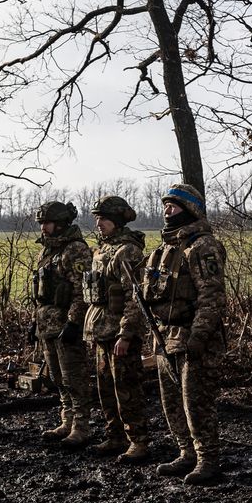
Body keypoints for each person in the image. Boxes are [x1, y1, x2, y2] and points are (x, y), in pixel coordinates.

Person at [143, 184, 228, 485]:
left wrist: (200, 336)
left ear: (190, 210)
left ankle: (208, 458)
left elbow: (212, 296)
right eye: (165, 206)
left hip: (193, 336)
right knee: (172, 401)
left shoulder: (203, 246)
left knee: (196, 401)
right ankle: (186, 452)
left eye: (173, 206)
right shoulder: (164, 250)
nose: (167, 211)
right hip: (165, 335)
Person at [82, 195, 150, 463]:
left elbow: (135, 296)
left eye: (104, 219)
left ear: (118, 220)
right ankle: (115, 436)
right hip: (100, 330)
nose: (99, 223)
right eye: (97, 218)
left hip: (120, 333)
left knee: (127, 388)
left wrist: (126, 333)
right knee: (106, 389)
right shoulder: (101, 251)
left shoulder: (127, 250)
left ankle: (138, 441)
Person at [32, 200, 94, 447]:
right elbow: (38, 291)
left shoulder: (75, 250)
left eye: (47, 223)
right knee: (58, 378)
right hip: (47, 325)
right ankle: (66, 420)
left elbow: (82, 291)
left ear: (60, 224)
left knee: (74, 378)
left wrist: (74, 323)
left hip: (66, 325)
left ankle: (81, 426)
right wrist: (33, 324)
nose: (43, 228)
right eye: (41, 223)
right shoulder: (46, 251)